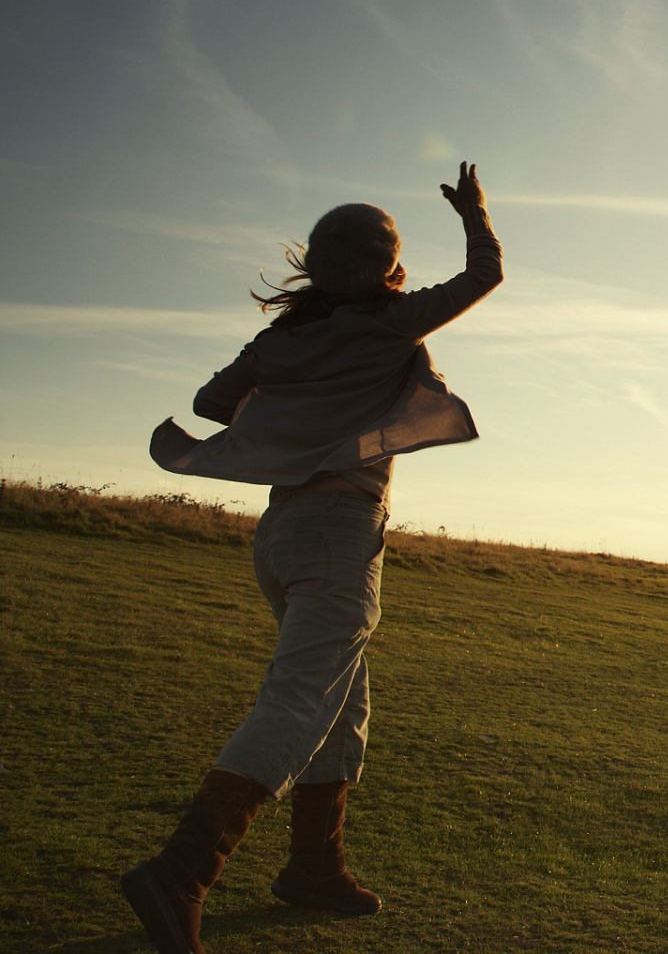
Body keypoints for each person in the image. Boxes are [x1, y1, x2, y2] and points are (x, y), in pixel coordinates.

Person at [121, 162, 502, 954]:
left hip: (283, 531)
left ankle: (313, 871)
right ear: (383, 267)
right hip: (339, 530)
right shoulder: (390, 324)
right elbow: (485, 273)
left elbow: (210, 403)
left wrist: (294, 405)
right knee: (298, 702)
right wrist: (473, 213)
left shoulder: (279, 338)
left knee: (341, 705)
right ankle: (182, 871)